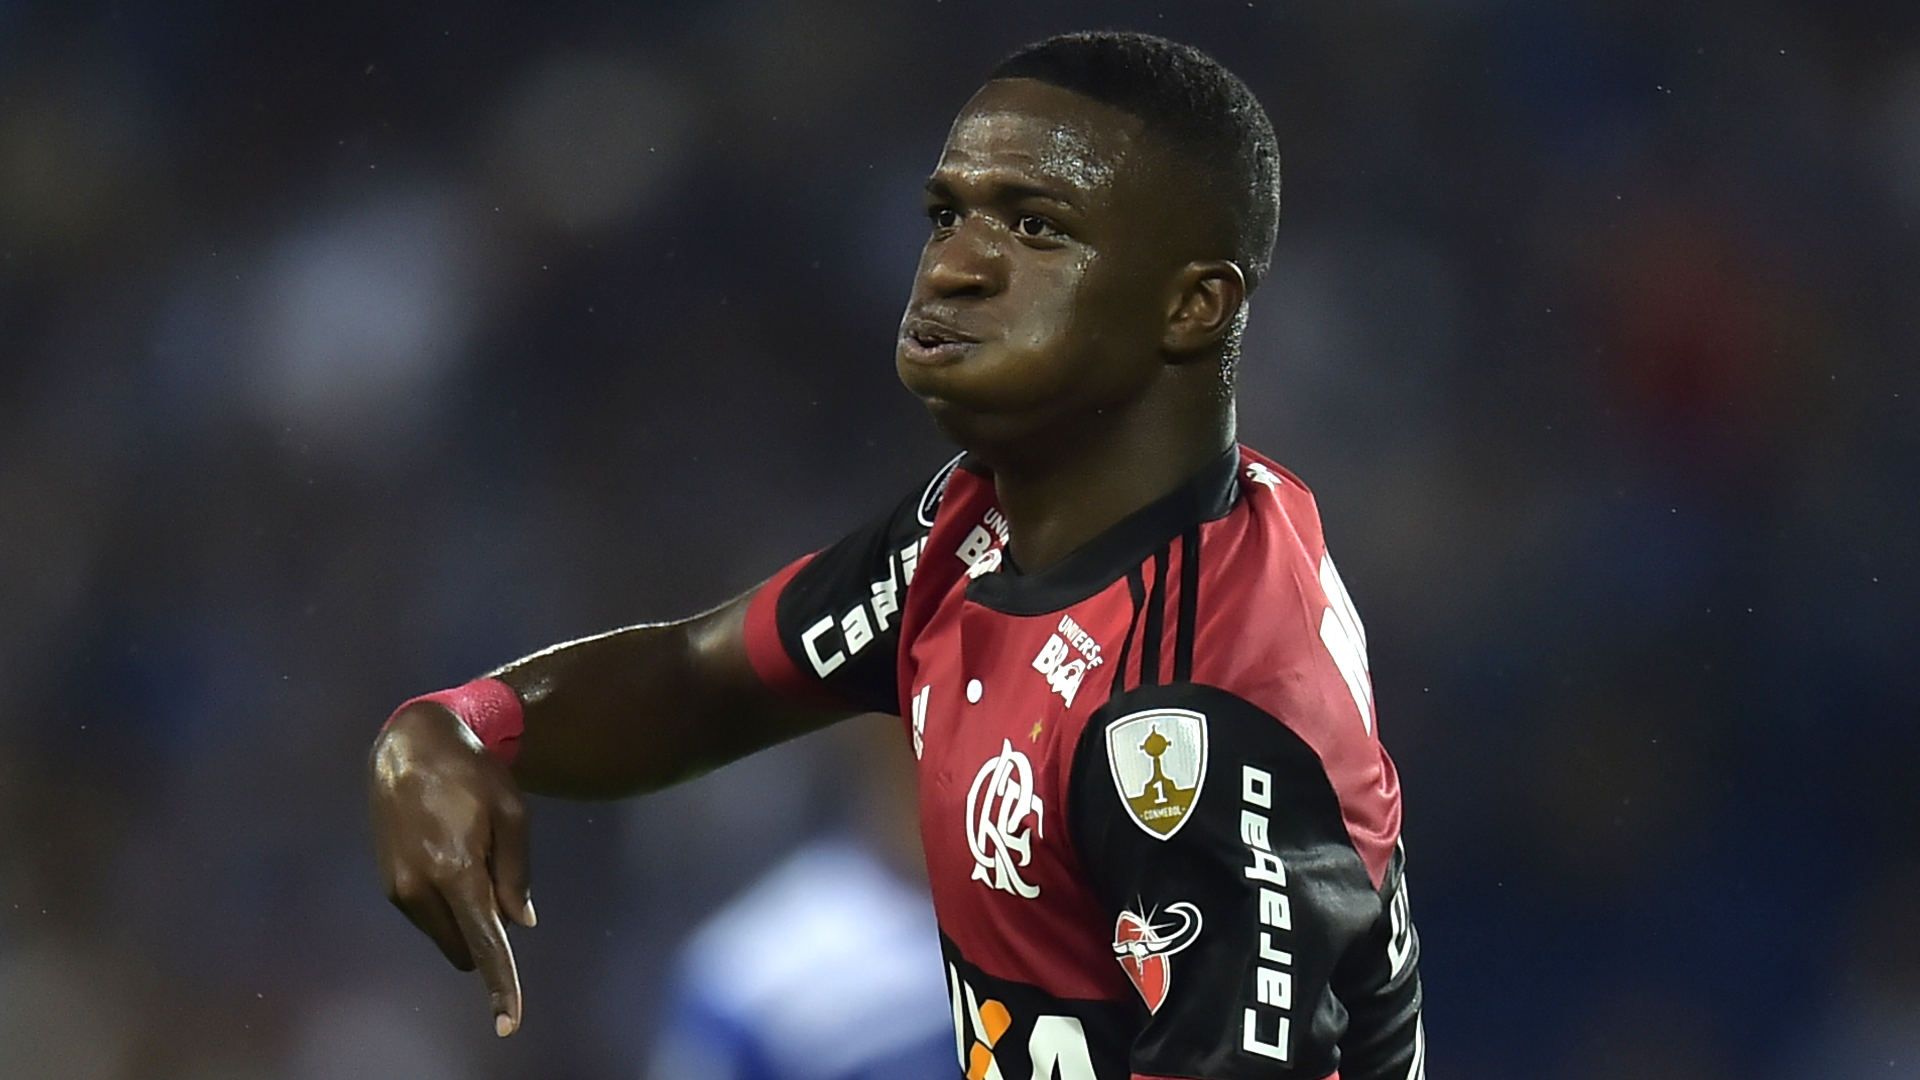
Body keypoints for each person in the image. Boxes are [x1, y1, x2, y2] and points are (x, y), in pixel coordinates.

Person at [370, 30, 1425, 1080]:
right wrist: (460, 730)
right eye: (947, 214)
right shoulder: (977, 530)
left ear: (1193, 306)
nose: (956, 265)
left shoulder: (1192, 720)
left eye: (1036, 226)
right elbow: (698, 680)